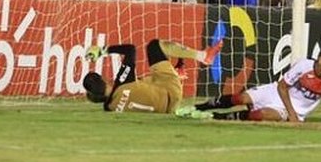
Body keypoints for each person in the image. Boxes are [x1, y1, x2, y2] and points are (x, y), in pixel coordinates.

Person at [188, 47, 321, 123]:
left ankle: (216, 116)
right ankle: (198, 108)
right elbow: (282, 87)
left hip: (296, 109)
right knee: (240, 98)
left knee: (260, 115)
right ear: (320, 60)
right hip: (276, 92)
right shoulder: (304, 66)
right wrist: (291, 114)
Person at [81, 39, 221, 114]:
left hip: (166, 109)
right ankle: (203, 56)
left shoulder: (109, 107)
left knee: (139, 86)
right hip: (170, 91)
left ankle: (175, 74)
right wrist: (103, 51)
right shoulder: (123, 81)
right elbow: (130, 49)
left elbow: (131, 90)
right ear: (104, 79)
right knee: (154, 46)